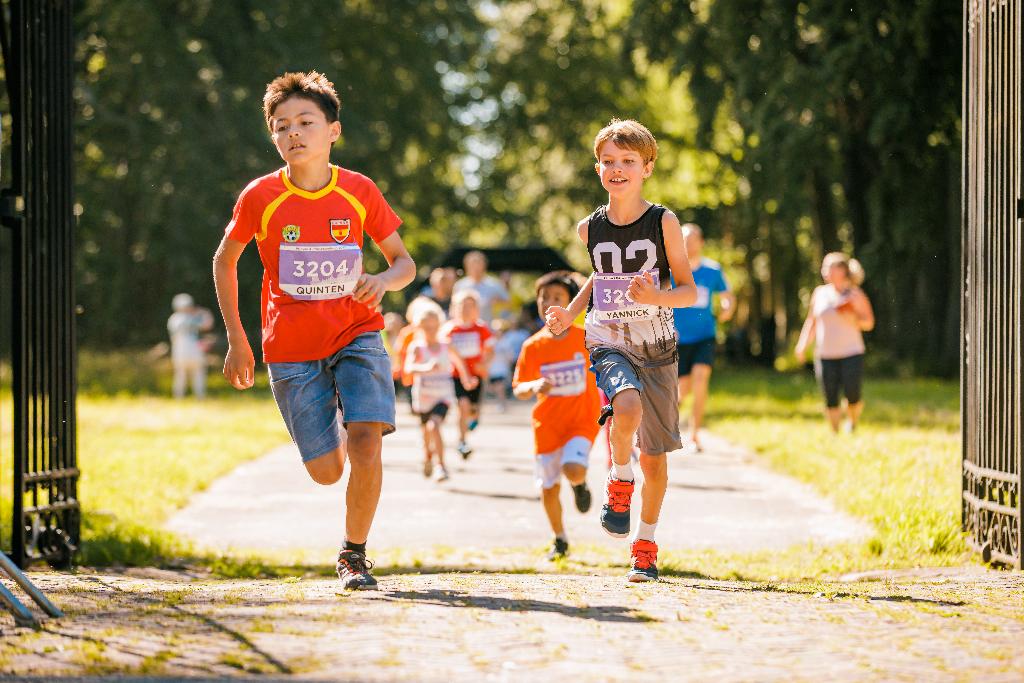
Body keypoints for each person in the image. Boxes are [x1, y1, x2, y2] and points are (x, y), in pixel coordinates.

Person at [212, 71, 415, 591]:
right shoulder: (260, 197)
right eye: (282, 126)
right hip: (291, 348)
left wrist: (382, 281)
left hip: (357, 331)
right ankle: (339, 419)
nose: (293, 133)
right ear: (273, 137)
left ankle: (354, 553)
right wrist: (237, 338)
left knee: (367, 442)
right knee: (327, 472)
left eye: (305, 122)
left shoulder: (358, 190)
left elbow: (404, 263)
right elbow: (224, 260)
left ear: (333, 131)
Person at [545, 119, 697, 582]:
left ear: (647, 168)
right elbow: (600, 277)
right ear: (598, 169)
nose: (618, 168)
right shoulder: (588, 227)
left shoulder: (663, 222)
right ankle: (619, 475)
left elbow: (689, 291)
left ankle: (645, 546)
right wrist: (571, 313)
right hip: (608, 339)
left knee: (656, 457)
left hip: (658, 346)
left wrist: (657, 297)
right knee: (625, 407)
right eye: (609, 161)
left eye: (629, 161)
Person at [513, 271, 600, 560]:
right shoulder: (532, 346)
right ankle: (560, 539)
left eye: (557, 297)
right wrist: (533, 386)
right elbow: (518, 388)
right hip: (547, 425)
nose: (549, 303)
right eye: (544, 297)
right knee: (548, 488)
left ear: (570, 302)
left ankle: (579, 484)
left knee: (573, 468)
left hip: (581, 419)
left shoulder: (586, 337)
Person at [795, 252, 875, 433]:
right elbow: (812, 321)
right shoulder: (820, 293)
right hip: (825, 354)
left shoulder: (855, 294)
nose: (824, 271)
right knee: (830, 397)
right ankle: (835, 433)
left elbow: (869, 323)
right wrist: (802, 345)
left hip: (852, 352)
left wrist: (854, 319)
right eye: (824, 267)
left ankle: (852, 423)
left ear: (842, 270)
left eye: (829, 267)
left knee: (853, 395)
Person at [673, 224, 735, 452]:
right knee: (682, 389)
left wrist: (727, 307)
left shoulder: (712, 270)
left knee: (701, 380)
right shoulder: (673, 270)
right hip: (678, 338)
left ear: (701, 243)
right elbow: (660, 301)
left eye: (692, 240)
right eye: (684, 240)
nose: (688, 244)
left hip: (704, 336)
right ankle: (667, 421)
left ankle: (695, 434)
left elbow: (727, 295)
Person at [403, 301, 477, 482]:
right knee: (426, 433)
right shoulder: (417, 347)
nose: (431, 330)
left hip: (443, 396)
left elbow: (459, 362)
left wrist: (466, 378)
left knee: (434, 426)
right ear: (419, 327)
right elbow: (408, 368)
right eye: (426, 327)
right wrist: (426, 367)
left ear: (440, 325)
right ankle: (428, 457)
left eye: (434, 326)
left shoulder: (446, 345)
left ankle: (441, 466)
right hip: (423, 397)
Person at [441, 289, 493, 459]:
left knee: (473, 409)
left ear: (477, 309)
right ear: (455, 308)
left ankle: (474, 417)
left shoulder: (481, 328)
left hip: (477, 374)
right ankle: (462, 441)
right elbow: (446, 351)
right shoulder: (450, 329)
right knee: (462, 406)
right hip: (457, 375)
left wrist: (484, 364)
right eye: (462, 306)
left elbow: (490, 350)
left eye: (471, 306)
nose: (466, 310)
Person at [167, 293, 214, 399]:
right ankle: (200, 397)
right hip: (193, 350)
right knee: (198, 373)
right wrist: (204, 312)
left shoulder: (173, 319)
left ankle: (178, 398)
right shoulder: (190, 318)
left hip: (179, 350)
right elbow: (208, 325)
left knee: (180, 374)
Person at [453, 250, 509, 323]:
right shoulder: (460, 285)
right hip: (465, 328)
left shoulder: (495, 285)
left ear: (484, 265)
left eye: (478, 264)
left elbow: (508, 306)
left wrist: (499, 304)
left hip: (488, 327)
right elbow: (453, 308)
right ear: (466, 266)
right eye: (472, 264)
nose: (476, 267)